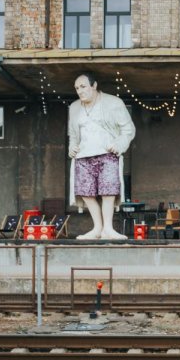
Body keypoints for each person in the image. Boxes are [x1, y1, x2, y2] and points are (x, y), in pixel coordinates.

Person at [68, 74, 136, 240]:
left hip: (107, 154)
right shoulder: (74, 107)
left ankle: (108, 229)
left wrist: (119, 144)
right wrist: (72, 146)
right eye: (77, 88)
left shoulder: (114, 103)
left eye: (83, 86)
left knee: (108, 192)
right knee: (86, 193)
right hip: (83, 156)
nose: (80, 91)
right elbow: (73, 134)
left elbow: (128, 129)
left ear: (94, 85)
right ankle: (97, 228)